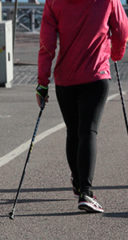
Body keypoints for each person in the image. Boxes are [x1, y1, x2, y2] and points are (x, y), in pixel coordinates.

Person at [36, 0, 128, 213]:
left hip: (65, 79)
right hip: (96, 75)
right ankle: (86, 192)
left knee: (74, 131)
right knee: (88, 131)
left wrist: (42, 82)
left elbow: (47, 43)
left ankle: (78, 182)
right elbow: (122, 30)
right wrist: (116, 54)